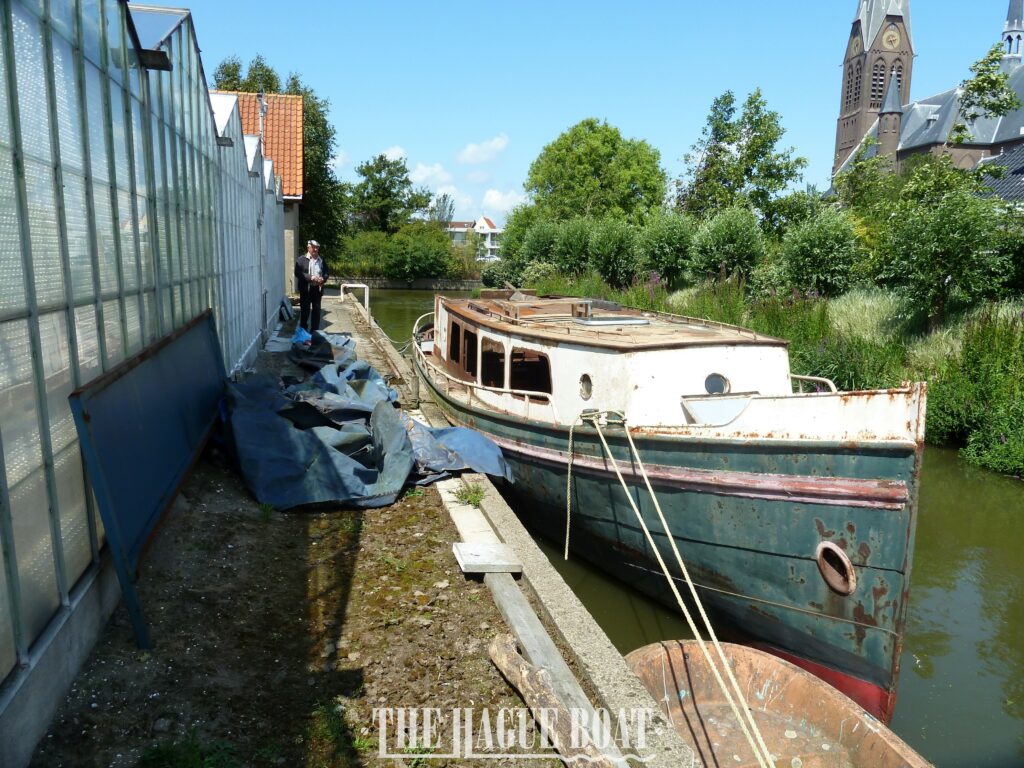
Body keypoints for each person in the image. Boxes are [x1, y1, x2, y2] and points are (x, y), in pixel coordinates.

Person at [295, 240, 329, 333]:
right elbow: (298, 273)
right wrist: (311, 277)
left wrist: (323, 278)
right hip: (306, 290)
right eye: (313, 247)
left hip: (317, 290)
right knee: (305, 312)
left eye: (317, 247)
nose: (315, 249)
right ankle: (303, 333)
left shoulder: (321, 260)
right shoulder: (301, 259)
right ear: (308, 248)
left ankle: (314, 332)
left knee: (317, 312)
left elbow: (326, 272)